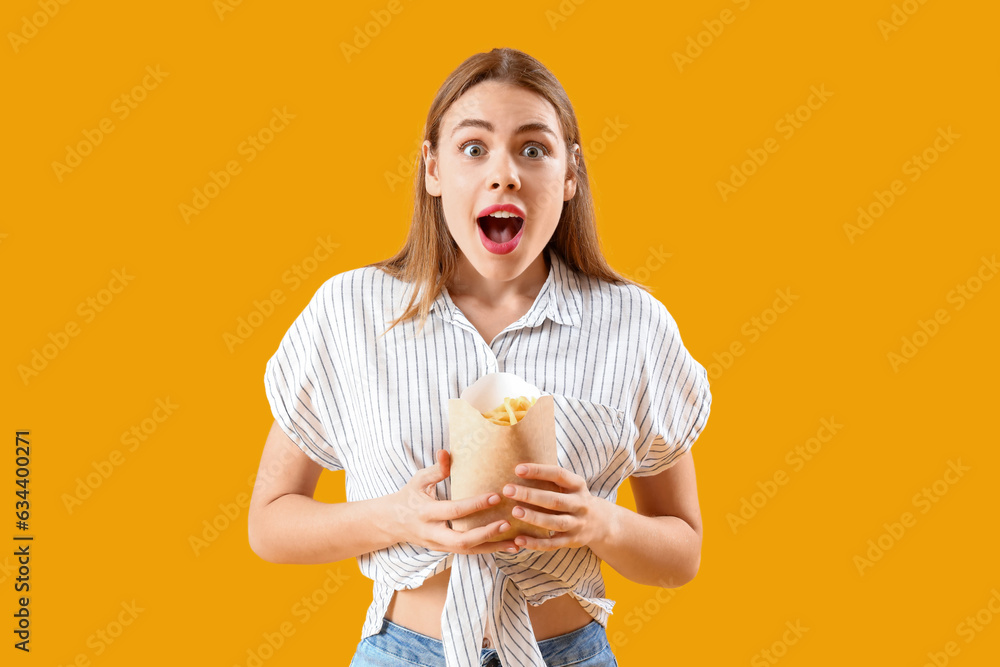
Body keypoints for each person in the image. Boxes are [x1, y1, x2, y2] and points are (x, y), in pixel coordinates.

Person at [248, 47, 712, 667]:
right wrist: (398, 518)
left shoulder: (634, 324)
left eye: (533, 148)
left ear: (570, 174)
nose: (505, 174)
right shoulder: (350, 311)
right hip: (403, 653)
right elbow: (271, 524)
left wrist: (600, 522)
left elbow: (681, 552)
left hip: (566, 653)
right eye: (474, 148)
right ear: (432, 167)